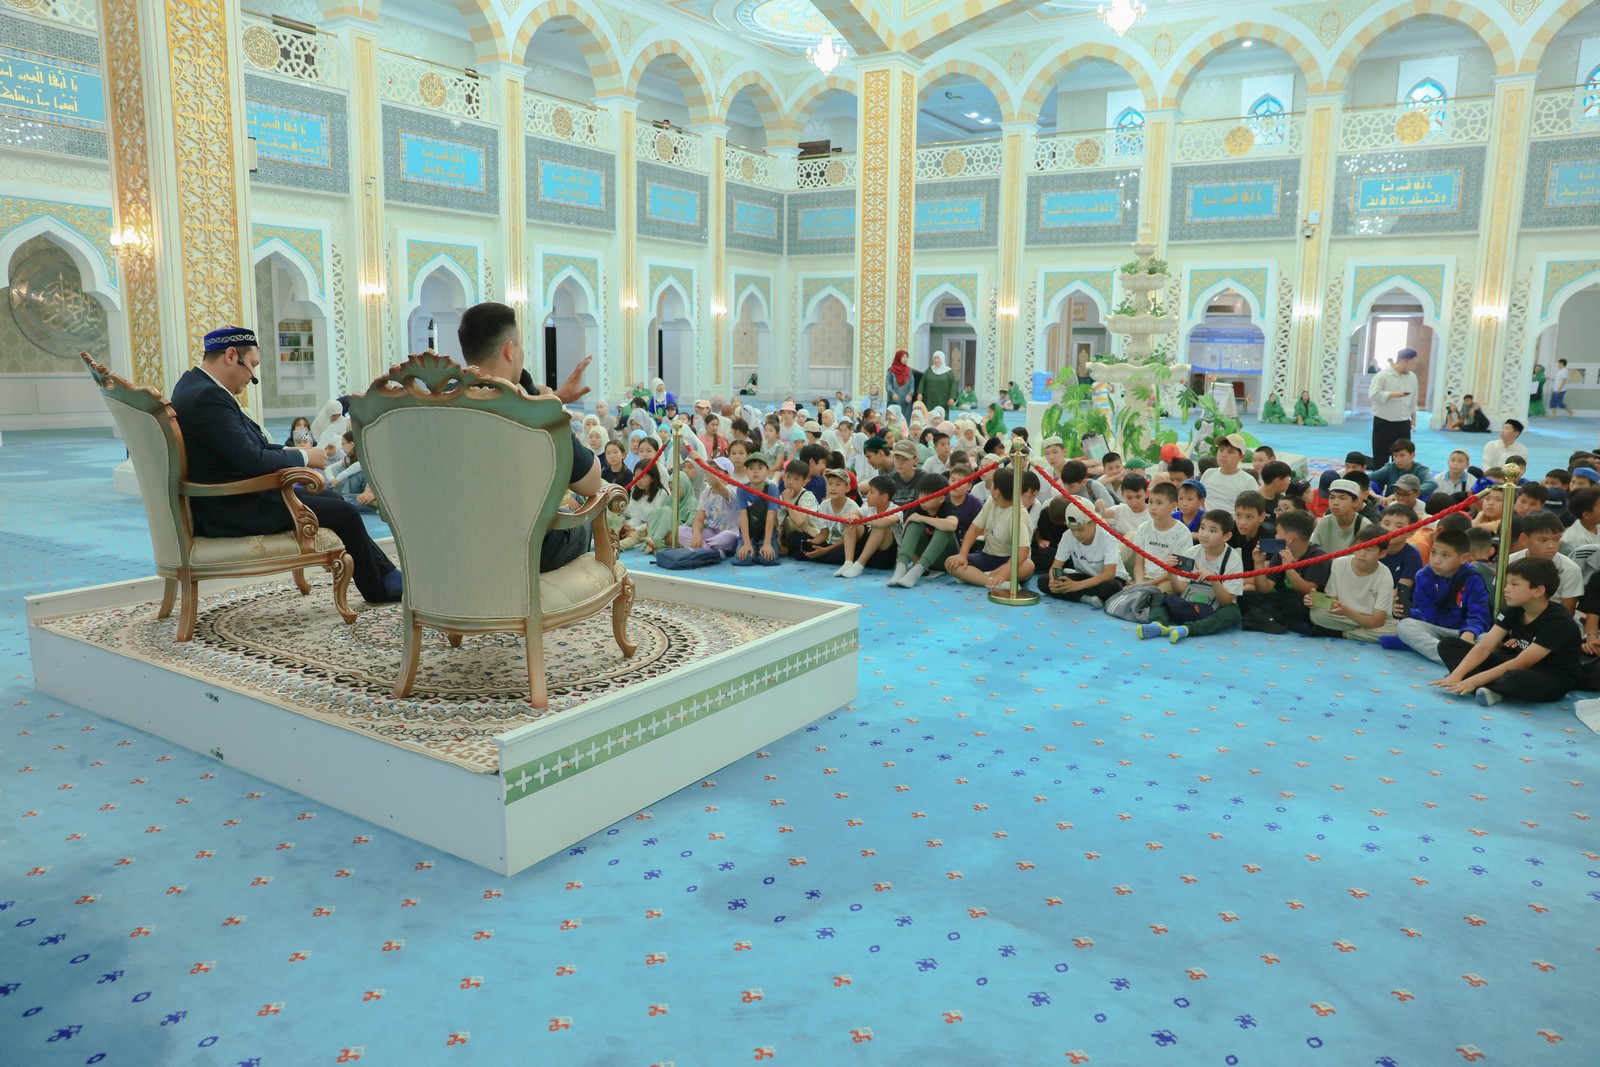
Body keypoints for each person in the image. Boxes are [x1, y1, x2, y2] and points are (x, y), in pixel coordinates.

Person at [167, 327, 400, 603]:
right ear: (231, 356)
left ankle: (386, 575)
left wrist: (296, 451)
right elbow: (252, 459)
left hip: (229, 499)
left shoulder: (192, 386)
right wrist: (305, 458)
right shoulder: (209, 397)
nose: (252, 376)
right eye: (252, 365)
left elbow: (246, 448)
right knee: (345, 512)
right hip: (233, 507)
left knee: (331, 498)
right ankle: (378, 587)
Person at [457, 302, 599, 573]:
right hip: (521, 551)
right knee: (584, 523)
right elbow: (591, 483)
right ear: (509, 349)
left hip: (454, 545)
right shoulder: (531, 410)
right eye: (520, 345)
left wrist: (554, 398)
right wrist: (552, 408)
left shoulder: (435, 403)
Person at [1432, 558, 1581, 706]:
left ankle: (1481, 685)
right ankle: (1489, 688)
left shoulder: (1559, 621)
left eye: (1514, 584)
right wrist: (1456, 675)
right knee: (1448, 645)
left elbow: (1522, 662)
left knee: (1515, 678)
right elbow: (1485, 647)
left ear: (1538, 591)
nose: (1506, 589)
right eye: (1508, 583)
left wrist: (1473, 680)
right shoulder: (1513, 608)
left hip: (1548, 677)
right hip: (1513, 662)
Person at [1386, 529, 1492, 663]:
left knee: (1487, 639)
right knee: (1405, 626)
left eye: (1445, 555)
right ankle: (1458, 659)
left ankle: (1453, 656)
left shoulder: (1473, 578)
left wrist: (1469, 633)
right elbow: (1426, 615)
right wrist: (1406, 612)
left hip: (1462, 631)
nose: (1436, 560)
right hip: (1435, 630)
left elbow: (1479, 616)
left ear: (1463, 558)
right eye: (1433, 553)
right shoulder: (1424, 575)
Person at [1138, 511, 1243, 643]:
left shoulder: (1233, 559)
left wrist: (1214, 580)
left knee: (1232, 612)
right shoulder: (1192, 552)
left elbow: (1226, 601)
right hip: (1189, 603)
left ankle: (1188, 629)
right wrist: (1171, 572)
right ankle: (1158, 624)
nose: (1204, 534)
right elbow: (1181, 590)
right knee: (1159, 596)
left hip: (1213, 608)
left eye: (1212, 530)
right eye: (1202, 528)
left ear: (1227, 536)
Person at [947, 468, 1035, 589]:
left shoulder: (1019, 515)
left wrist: (1003, 575)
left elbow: (1023, 551)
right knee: (951, 563)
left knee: (1028, 566)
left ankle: (980, 578)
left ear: (996, 491)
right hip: (988, 556)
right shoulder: (992, 502)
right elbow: (974, 529)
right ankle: (993, 582)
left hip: (1011, 560)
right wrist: (962, 555)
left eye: (993, 484)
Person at [1041, 498, 1128, 606]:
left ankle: (1077, 594)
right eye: (1072, 529)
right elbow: (1056, 566)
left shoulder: (1108, 539)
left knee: (1111, 587)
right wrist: (1054, 580)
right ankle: (1085, 598)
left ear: (1093, 523)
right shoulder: (1067, 536)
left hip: (1107, 579)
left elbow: (1109, 574)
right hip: (1084, 575)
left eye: (1081, 530)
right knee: (1044, 581)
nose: (1077, 535)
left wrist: (1077, 586)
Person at [888, 473, 961, 588]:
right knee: (913, 524)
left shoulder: (947, 507)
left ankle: (917, 571)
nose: (922, 499)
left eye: (928, 496)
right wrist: (915, 559)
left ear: (941, 498)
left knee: (944, 528)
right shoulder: (917, 508)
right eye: (921, 494)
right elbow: (907, 536)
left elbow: (952, 525)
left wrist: (922, 518)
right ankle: (900, 569)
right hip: (922, 559)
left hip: (946, 558)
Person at [1369, 347, 1419, 463]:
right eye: (1412, 363)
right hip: (1384, 422)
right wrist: (1391, 394)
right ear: (1403, 362)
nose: (1414, 366)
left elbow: (1413, 399)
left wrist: (1414, 417)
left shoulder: (1412, 377)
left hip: (1403, 423)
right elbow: (1373, 395)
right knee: (1381, 457)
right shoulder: (1383, 375)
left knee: (1403, 458)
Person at [1199, 433, 1258, 514]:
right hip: (1206, 519)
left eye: (1230, 452)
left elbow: (1252, 509)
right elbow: (1199, 499)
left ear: (1241, 457)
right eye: (1221, 450)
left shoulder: (1248, 481)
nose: (1223, 455)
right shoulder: (1208, 473)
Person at [886, 349, 915, 422]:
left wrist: (910, 394)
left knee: (905, 420)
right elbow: (888, 384)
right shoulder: (891, 370)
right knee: (893, 420)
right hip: (894, 399)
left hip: (906, 400)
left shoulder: (909, 370)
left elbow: (912, 383)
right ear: (898, 358)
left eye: (906, 357)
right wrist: (893, 393)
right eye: (903, 357)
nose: (905, 359)